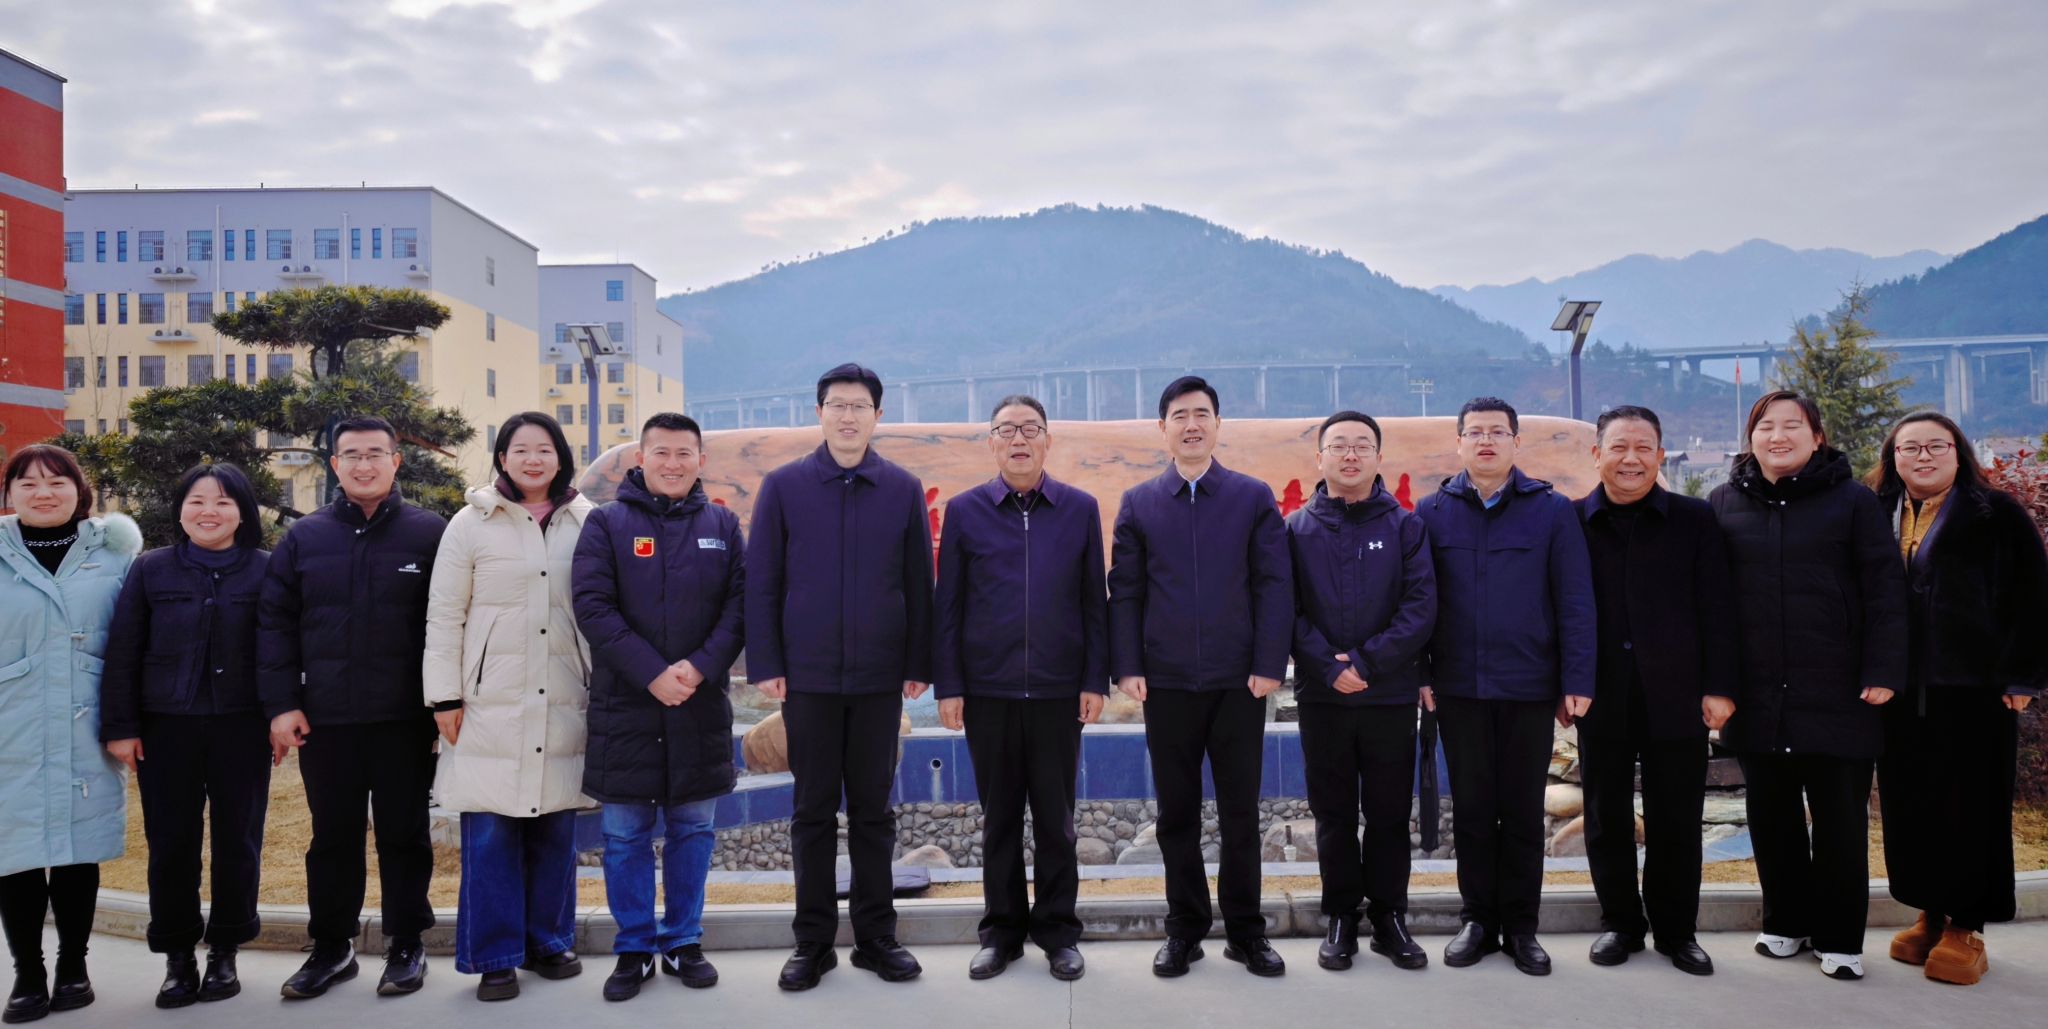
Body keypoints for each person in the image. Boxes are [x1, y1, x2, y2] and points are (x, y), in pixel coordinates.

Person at [746, 364, 934, 991]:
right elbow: (763, 580)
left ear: (877, 416)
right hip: (809, 678)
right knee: (813, 811)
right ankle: (813, 943)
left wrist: (918, 664)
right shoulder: (784, 486)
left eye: (859, 406)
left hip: (880, 678)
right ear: (819, 413)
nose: (848, 416)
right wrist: (767, 663)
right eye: (837, 404)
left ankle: (877, 938)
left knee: (875, 812)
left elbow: (919, 582)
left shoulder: (902, 488)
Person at [1709, 390, 1906, 982]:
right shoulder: (1723, 502)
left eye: (1792, 426)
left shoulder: (1853, 502)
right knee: (1772, 820)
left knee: (1840, 823)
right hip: (1758, 695)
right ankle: (1785, 922)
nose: (1778, 436)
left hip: (1839, 692)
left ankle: (1839, 938)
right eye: (1765, 426)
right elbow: (1711, 605)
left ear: (1817, 437)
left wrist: (1883, 670)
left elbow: (1885, 590)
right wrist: (1716, 685)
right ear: (1751, 438)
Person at [258, 415, 449, 1000]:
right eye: (352, 456)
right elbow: (274, 625)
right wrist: (282, 705)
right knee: (332, 837)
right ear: (335, 465)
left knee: (404, 834)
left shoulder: (431, 533)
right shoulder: (305, 537)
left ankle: (406, 944)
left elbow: (450, 625)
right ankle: (331, 947)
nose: (364, 465)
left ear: (396, 461)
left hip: (404, 719)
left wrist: (444, 705)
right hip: (326, 718)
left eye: (375, 454)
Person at [1109, 376, 1293, 979]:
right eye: (1180, 416)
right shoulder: (1140, 502)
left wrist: (1269, 664)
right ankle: (1184, 931)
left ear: (1217, 424)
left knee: (1240, 814)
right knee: (1177, 816)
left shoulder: (1250, 497)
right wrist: (1128, 665)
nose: (1191, 425)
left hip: (1239, 683)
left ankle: (1246, 933)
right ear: (1162, 428)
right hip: (1165, 685)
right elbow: (1126, 590)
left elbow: (1274, 584)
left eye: (1202, 414)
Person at [1415, 396, 1595, 977]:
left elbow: (1574, 599)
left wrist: (1576, 679)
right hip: (1459, 688)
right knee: (1472, 810)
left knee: (1519, 812)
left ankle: (1520, 927)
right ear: (1459, 442)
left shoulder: (1551, 511)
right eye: (1475, 432)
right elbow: (1417, 600)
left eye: (1497, 432)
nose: (1486, 441)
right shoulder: (1431, 512)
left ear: (1517, 442)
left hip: (1528, 685)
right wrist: (1421, 673)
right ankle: (1476, 920)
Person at [1866, 412, 2048, 986]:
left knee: (1971, 809)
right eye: (1909, 448)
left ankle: (1966, 927)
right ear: (1893, 458)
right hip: (1898, 690)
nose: (1922, 456)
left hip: (1975, 693)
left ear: (1957, 451)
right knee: (1911, 807)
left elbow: (2033, 598)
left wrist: (2023, 679)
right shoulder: (1875, 512)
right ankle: (1930, 914)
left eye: (1935, 446)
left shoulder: (1997, 513)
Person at [933, 395, 1106, 983]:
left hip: (1059, 691)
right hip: (989, 692)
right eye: (1006, 430)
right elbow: (949, 605)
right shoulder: (966, 510)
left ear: (1048, 440)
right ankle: (1001, 934)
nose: (1019, 440)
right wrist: (950, 685)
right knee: (1000, 819)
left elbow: (1094, 600)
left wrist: (1094, 679)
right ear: (991, 442)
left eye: (1030, 429)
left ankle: (1058, 933)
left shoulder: (1079, 509)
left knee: (1057, 821)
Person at [423, 412, 595, 1002]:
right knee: (491, 832)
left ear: (561, 457)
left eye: (544, 449)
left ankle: (549, 940)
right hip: (487, 700)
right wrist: (444, 695)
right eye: (520, 449)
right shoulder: (471, 523)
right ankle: (495, 955)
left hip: (565, 692)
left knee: (555, 827)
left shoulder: (587, 522)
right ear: (501, 458)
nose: (532, 459)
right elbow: (444, 614)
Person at [573, 413, 743, 1002]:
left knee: (694, 830)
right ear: (640, 459)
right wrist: (650, 673)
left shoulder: (722, 524)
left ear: (701, 461)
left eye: (684, 453)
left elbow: (740, 607)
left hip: (699, 705)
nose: (673, 464)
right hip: (627, 708)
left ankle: (683, 940)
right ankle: (634, 947)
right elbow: (592, 607)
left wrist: (698, 668)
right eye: (662, 453)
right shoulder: (606, 524)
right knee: (624, 835)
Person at [101, 464, 271, 1007]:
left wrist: (280, 716)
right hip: (164, 727)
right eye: (197, 501)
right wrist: (121, 727)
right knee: (171, 844)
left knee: (238, 840)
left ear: (242, 512)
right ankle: (178, 956)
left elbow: (282, 649)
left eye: (222, 502)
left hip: (242, 725)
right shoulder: (150, 568)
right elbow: (123, 650)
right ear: (180, 510)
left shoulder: (266, 569)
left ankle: (225, 950)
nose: (208, 512)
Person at [1575, 407, 1735, 976]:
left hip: (1678, 694)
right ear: (1597, 454)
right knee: (1606, 816)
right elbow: (1559, 610)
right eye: (1618, 447)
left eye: (1644, 448)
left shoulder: (1694, 519)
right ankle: (1620, 923)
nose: (1631, 459)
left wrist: (1720, 687)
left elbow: (1718, 607)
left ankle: (1676, 931)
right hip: (1600, 695)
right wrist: (1566, 685)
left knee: (1677, 817)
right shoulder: (1573, 522)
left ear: (1661, 457)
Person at [1286, 410, 1436, 972]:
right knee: (1333, 814)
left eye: (1362, 446)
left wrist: (1368, 662)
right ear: (1320, 457)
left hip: (1388, 694)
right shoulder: (1295, 529)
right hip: (1323, 696)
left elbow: (1420, 606)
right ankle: (1342, 916)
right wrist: (1328, 667)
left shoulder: (1405, 527)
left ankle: (1390, 916)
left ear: (1378, 457)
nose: (1350, 455)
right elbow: (1285, 609)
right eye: (1339, 446)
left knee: (1389, 812)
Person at [0, 445, 141, 1024]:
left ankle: (74, 968)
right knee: (15, 854)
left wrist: (129, 721)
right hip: (12, 727)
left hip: (88, 723)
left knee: (79, 851)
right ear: (9, 493)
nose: (43, 493)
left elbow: (134, 640)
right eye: (28, 483)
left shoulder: (115, 554)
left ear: (80, 491)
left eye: (57, 482)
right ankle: (28, 974)